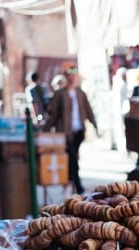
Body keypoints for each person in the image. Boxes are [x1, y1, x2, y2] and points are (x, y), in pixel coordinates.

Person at [44, 63, 97, 195]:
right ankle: (78, 187)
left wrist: (95, 126)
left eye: (74, 75)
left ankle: (69, 181)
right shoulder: (60, 94)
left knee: (73, 158)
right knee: (72, 158)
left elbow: (88, 110)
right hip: (65, 133)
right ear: (66, 77)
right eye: (70, 75)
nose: (73, 78)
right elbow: (53, 115)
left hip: (79, 131)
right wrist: (45, 130)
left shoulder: (81, 93)